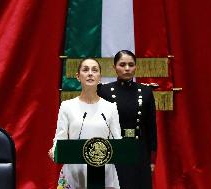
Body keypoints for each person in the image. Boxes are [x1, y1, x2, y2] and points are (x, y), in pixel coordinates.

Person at [48, 58, 122, 189]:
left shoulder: (110, 108)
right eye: (85, 70)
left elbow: (118, 142)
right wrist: (55, 151)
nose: (90, 73)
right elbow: (60, 139)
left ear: (100, 77)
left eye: (95, 70)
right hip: (74, 174)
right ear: (78, 76)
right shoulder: (67, 106)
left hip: (104, 175)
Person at [97, 50, 157, 189]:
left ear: (136, 66)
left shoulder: (146, 92)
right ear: (114, 67)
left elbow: (151, 127)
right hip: (114, 149)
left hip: (139, 149)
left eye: (131, 64)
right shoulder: (104, 91)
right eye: (122, 64)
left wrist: (152, 159)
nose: (127, 68)